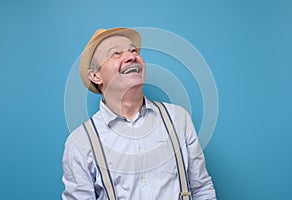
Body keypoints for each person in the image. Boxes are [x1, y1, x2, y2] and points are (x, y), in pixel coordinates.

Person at [62, 27, 217, 200]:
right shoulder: (80, 143)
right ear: (96, 76)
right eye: (115, 53)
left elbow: (202, 189)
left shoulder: (178, 119)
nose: (131, 57)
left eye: (133, 50)